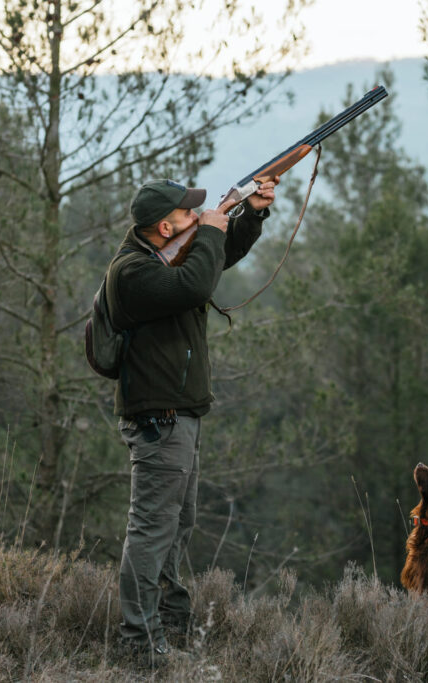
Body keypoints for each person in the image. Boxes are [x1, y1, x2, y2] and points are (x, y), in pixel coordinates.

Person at [106, 177, 277, 664]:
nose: (196, 218)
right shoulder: (133, 272)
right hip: (159, 416)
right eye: (188, 215)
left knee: (178, 524)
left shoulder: (161, 255)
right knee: (152, 530)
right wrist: (215, 228)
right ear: (166, 226)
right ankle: (140, 645)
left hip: (177, 410)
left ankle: (172, 624)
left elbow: (211, 262)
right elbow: (197, 279)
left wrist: (251, 215)